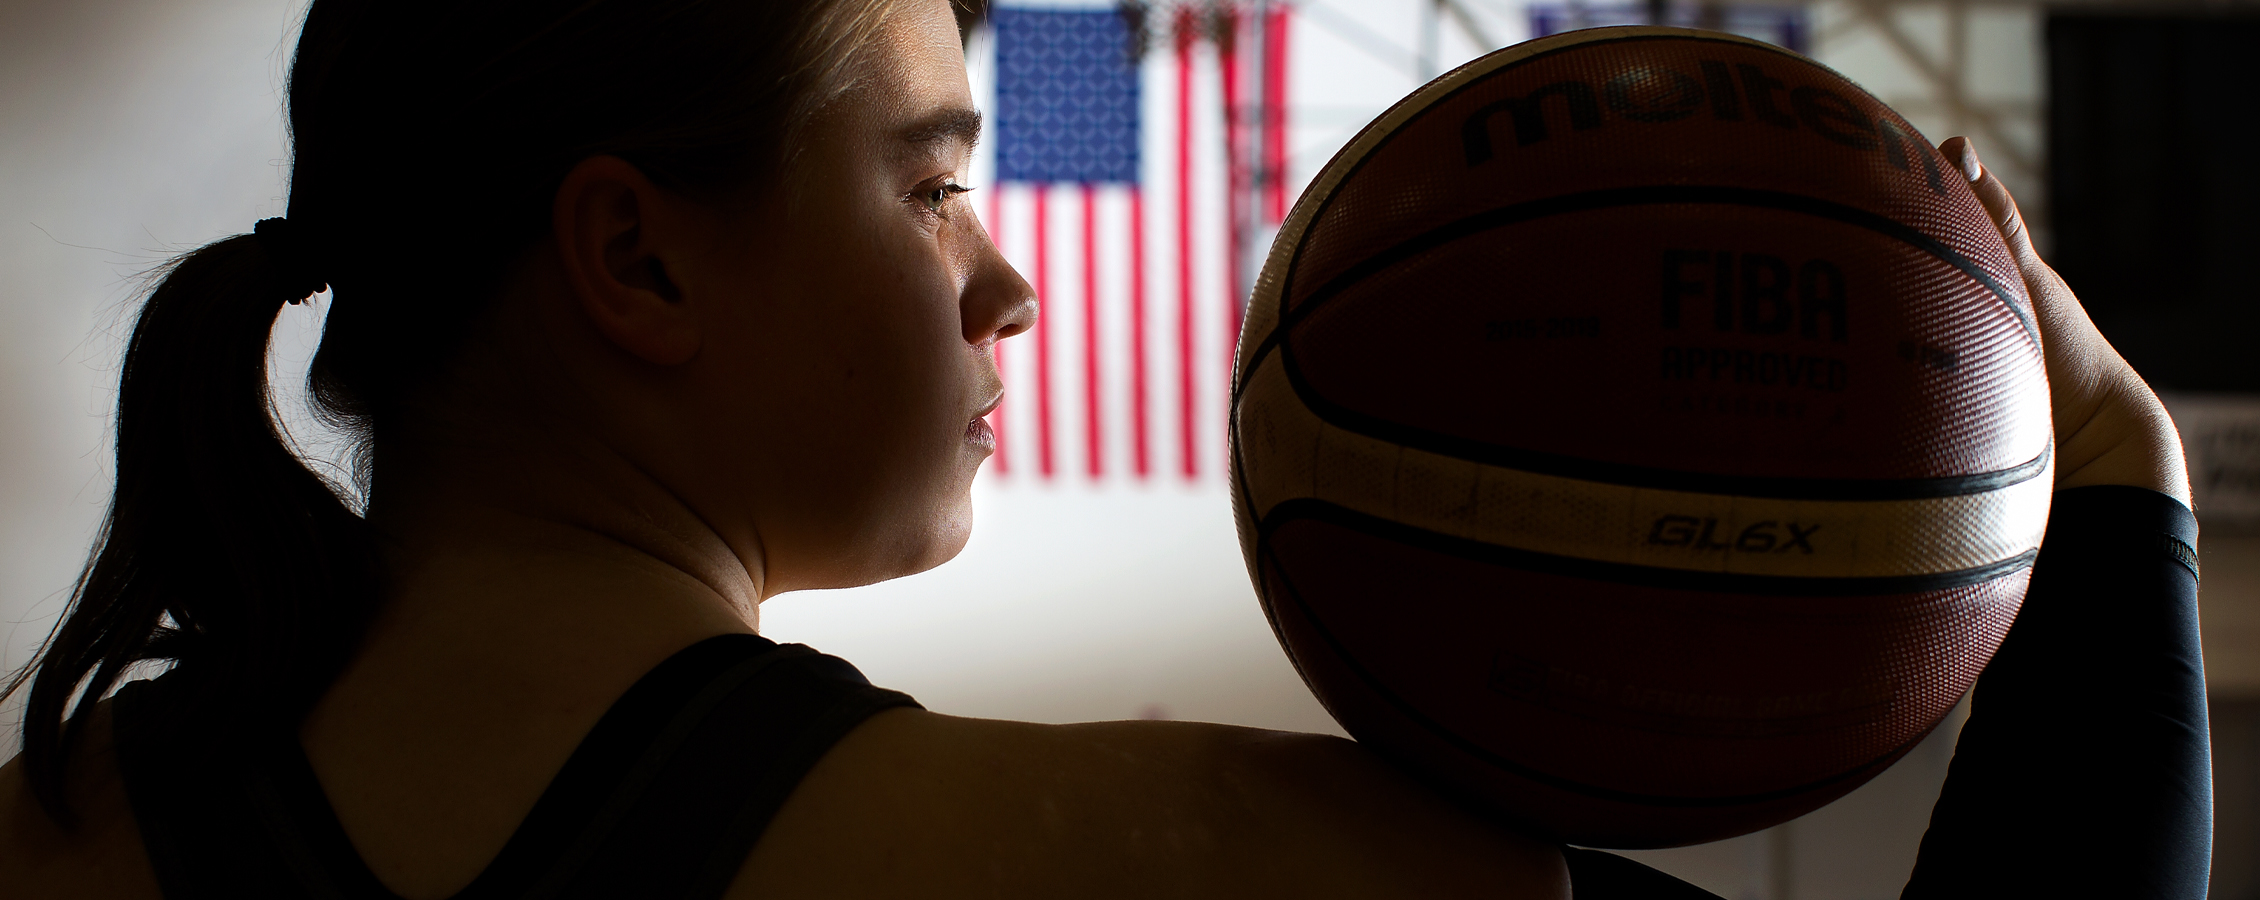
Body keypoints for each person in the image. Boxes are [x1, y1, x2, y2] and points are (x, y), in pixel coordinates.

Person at [0, 0, 2208, 896]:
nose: (1008, 285)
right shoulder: (1170, 856)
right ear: (635, 262)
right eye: (934, 178)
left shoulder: (47, 821)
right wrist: (2115, 497)